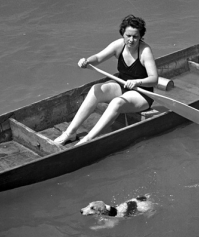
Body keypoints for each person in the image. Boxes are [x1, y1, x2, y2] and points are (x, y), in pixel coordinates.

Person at [54, 15, 158, 146]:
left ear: (140, 36)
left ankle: (87, 140)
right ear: (123, 34)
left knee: (117, 103)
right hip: (123, 86)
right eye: (128, 35)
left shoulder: (145, 51)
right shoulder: (118, 45)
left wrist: (138, 82)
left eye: (135, 36)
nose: (131, 40)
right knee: (96, 89)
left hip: (141, 93)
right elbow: (98, 58)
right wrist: (87, 61)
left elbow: (154, 79)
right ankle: (70, 133)